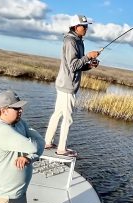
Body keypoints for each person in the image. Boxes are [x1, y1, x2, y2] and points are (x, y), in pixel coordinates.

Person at [44, 14, 100, 157]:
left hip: (67, 84)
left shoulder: (78, 41)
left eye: (87, 26)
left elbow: (78, 66)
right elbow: (73, 65)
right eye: (84, 26)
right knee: (67, 118)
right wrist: (88, 56)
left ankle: (47, 143)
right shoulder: (70, 41)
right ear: (76, 27)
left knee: (58, 114)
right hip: (67, 86)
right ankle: (61, 149)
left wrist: (89, 65)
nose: (86, 29)